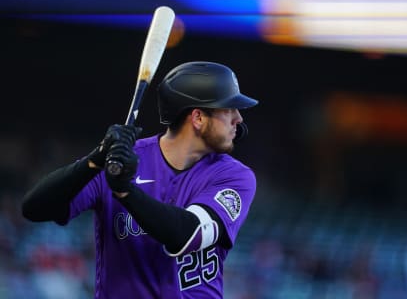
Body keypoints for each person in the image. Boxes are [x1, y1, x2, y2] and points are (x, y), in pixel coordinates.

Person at [22, 61, 259, 298]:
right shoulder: (121, 161)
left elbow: (186, 234)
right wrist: (93, 161)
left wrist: (125, 192)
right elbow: (34, 208)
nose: (238, 118)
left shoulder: (234, 176)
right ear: (198, 117)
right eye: (228, 109)